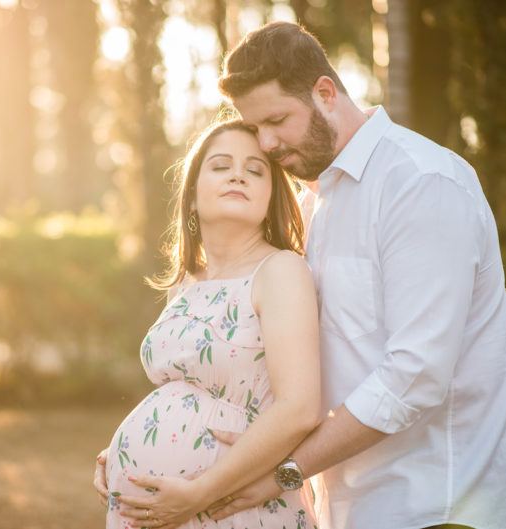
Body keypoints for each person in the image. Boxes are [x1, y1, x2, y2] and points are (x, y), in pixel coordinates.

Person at [96, 20, 506, 529]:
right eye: (256, 126)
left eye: (276, 120)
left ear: (326, 93)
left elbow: (414, 377)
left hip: (429, 508)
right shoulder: (315, 203)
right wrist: (142, 442)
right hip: (344, 512)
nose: (264, 143)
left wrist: (279, 477)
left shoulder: (420, 183)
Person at [96, 118, 323, 529]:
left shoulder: (281, 272)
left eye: (256, 170)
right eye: (221, 165)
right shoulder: (184, 283)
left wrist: (199, 494)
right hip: (158, 513)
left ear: (270, 195)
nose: (239, 174)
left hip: (236, 508)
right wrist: (120, 452)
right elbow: (181, 395)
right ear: (194, 197)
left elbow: (298, 409)